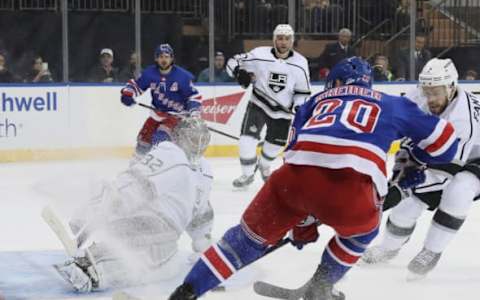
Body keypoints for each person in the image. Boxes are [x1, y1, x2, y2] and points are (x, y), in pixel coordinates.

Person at [168, 57, 459, 300]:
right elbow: (447, 145)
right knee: (361, 234)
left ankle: (185, 291)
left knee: (241, 242)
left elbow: (295, 156)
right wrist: (414, 162)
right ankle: (321, 287)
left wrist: (301, 219)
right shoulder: (393, 103)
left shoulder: (313, 102)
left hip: (290, 182)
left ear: (334, 83)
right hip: (351, 193)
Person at [53, 117, 214, 292]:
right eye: (193, 138)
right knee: (149, 256)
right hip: (148, 221)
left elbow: (200, 212)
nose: (197, 144)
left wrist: (202, 244)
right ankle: (90, 268)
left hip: (159, 229)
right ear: (179, 137)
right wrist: (100, 210)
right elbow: (136, 182)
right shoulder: (171, 152)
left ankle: (94, 263)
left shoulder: (204, 172)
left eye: (201, 140)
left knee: (164, 264)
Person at [362, 58, 480, 280]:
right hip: (443, 151)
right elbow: (405, 144)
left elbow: (447, 171)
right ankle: (389, 248)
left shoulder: (464, 119)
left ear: (451, 87)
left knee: (459, 190)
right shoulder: (417, 96)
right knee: (406, 207)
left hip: (473, 157)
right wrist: (398, 179)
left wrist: (403, 187)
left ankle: (431, 251)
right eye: (427, 91)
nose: (431, 98)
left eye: (436, 92)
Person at [225, 24, 311, 188]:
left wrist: (299, 107)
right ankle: (247, 174)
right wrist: (238, 72)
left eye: (287, 39)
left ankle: (264, 165)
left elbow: (302, 92)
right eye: (279, 38)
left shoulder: (300, 63)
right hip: (258, 103)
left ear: (292, 41)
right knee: (246, 141)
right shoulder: (259, 54)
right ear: (274, 39)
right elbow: (232, 62)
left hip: (283, 113)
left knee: (274, 147)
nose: (283, 42)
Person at [120, 44, 202, 160]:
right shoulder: (150, 73)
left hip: (177, 116)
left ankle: (161, 166)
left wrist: (194, 112)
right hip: (156, 115)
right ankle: (136, 167)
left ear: (172, 58)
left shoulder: (182, 76)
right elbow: (136, 85)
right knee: (143, 139)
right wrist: (128, 94)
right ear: (156, 59)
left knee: (160, 138)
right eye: (161, 56)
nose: (164, 59)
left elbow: (194, 96)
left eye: (167, 56)